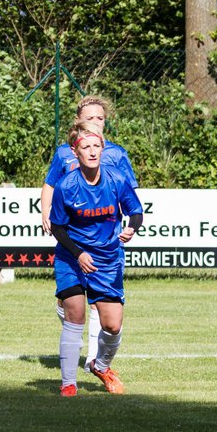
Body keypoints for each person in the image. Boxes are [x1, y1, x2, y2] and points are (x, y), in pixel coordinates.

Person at [40, 96, 140, 366]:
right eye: (90, 118)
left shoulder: (116, 154)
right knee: (73, 302)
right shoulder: (65, 153)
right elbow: (51, 184)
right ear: (78, 120)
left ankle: (94, 360)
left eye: (100, 118)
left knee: (101, 304)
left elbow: (128, 194)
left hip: (105, 243)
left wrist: (130, 225)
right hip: (72, 239)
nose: (96, 122)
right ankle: (69, 320)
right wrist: (45, 211)